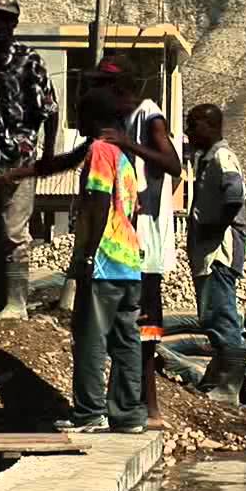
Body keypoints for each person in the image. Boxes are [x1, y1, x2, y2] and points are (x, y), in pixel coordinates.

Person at [0, 86, 145, 434]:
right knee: (126, 341)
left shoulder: (99, 151)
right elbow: (134, 211)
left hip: (106, 259)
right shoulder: (125, 158)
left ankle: (89, 412)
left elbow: (97, 201)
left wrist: (89, 253)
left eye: (80, 113)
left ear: (94, 117)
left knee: (91, 336)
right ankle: (128, 415)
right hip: (128, 260)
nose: (76, 120)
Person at [89, 55, 182, 430]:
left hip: (145, 236)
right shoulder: (117, 123)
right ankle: (131, 403)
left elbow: (172, 164)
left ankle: (147, 404)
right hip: (125, 238)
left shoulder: (148, 115)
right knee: (127, 325)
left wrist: (129, 143)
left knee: (142, 325)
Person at [0, 0, 58, 323]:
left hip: (20, 160)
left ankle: (16, 302)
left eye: (5, 19)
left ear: (14, 23)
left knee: (13, 231)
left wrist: (47, 156)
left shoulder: (28, 60)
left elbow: (50, 109)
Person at [185, 103, 246, 405]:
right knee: (212, 314)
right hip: (208, 251)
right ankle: (218, 376)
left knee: (222, 315)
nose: (188, 132)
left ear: (209, 127)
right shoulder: (206, 160)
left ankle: (230, 386)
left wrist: (216, 227)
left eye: (192, 125)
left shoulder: (222, 157)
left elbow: (235, 194)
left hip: (219, 253)